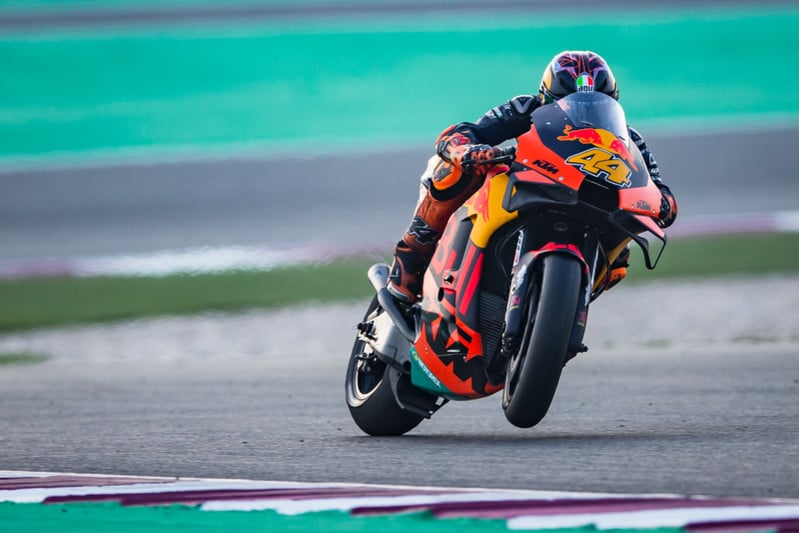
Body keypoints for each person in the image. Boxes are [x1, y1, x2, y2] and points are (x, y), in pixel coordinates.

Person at [387, 50, 678, 304]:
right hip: (533, 183)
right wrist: (468, 152)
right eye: (572, 104)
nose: (585, 113)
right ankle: (410, 258)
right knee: (448, 170)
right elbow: (461, 134)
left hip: (590, 203)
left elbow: (659, 189)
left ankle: (562, 312)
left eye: (596, 105)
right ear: (547, 98)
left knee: (620, 262)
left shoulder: (629, 139)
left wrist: (660, 204)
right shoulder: (525, 108)